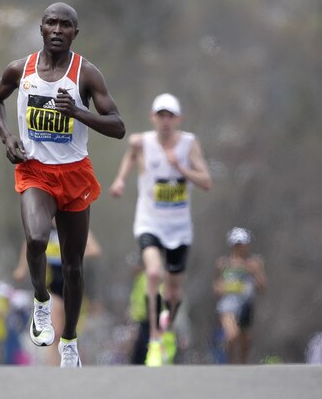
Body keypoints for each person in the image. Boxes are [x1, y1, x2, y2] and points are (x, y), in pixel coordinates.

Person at [0, 2, 125, 367]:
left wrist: (78, 111)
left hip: (74, 174)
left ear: (75, 33)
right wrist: (7, 138)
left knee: (73, 267)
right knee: (35, 238)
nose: (58, 29)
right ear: (41, 27)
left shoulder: (86, 74)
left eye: (66, 24)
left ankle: (69, 341)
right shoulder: (21, 70)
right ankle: (41, 301)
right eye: (51, 22)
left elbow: (118, 125)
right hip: (35, 171)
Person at [109, 92, 212, 366]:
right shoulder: (141, 142)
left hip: (178, 227)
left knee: (174, 293)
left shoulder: (189, 145)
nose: (165, 121)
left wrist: (181, 168)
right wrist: (120, 181)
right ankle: (155, 339)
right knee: (154, 273)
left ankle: (167, 324)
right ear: (153, 118)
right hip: (150, 221)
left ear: (178, 119)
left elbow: (206, 181)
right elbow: (130, 157)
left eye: (170, 116)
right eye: (160, 115)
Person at [13, 220, 102, 365]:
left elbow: (95, 249)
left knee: (71, 333)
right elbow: (29, 244)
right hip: (53, 288)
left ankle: (77, 365)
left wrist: (72, 253)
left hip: (72, 288)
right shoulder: (43, 229)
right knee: (56, 332)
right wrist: (21, 268)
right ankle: (54, 368)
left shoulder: (74, 225)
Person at [213, 227, 266, 364]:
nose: (239, 247)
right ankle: (230, 362)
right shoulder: (224, 264)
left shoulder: (254, 263)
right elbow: (217, 287)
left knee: (245, 340)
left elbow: (262, 287)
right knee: (232, 335)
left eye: (242, 244)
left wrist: (254, 273)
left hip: (246, 304)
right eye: (236, 244)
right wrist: (223, 288)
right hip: (228, 304)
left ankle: (243, 367)